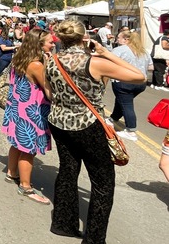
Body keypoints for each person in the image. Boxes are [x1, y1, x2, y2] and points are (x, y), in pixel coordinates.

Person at [45, 20, 145, 242]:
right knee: (102, 183)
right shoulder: (95, 62)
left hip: (59, 120)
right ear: (84, 38)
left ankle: (62, 222)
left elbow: (50, 92)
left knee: (67, 170)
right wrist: (105, 52)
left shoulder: (52, 60)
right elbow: (139, 76)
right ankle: (94, 239)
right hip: (88, 123)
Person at [2, 28, 54, 204]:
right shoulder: (36, 65)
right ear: (39, 45)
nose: (53, 44)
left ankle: (11, 173)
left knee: (17, 143)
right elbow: (49, 91)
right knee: (28, 150)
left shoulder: (19, 58)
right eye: (50, 42)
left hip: (18, 107)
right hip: (32, 111)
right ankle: (25, 187)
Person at [104, 30, 150, 141]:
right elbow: (151, 67)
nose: (117, 39)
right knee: (122, 101)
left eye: (119, 38)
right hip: (141, 82)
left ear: (126, 39)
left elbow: (108, 62)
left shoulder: (119, 50)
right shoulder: (143, 51)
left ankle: (131, 130)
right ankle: (112, 119)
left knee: (126, 104)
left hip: (124, 81)